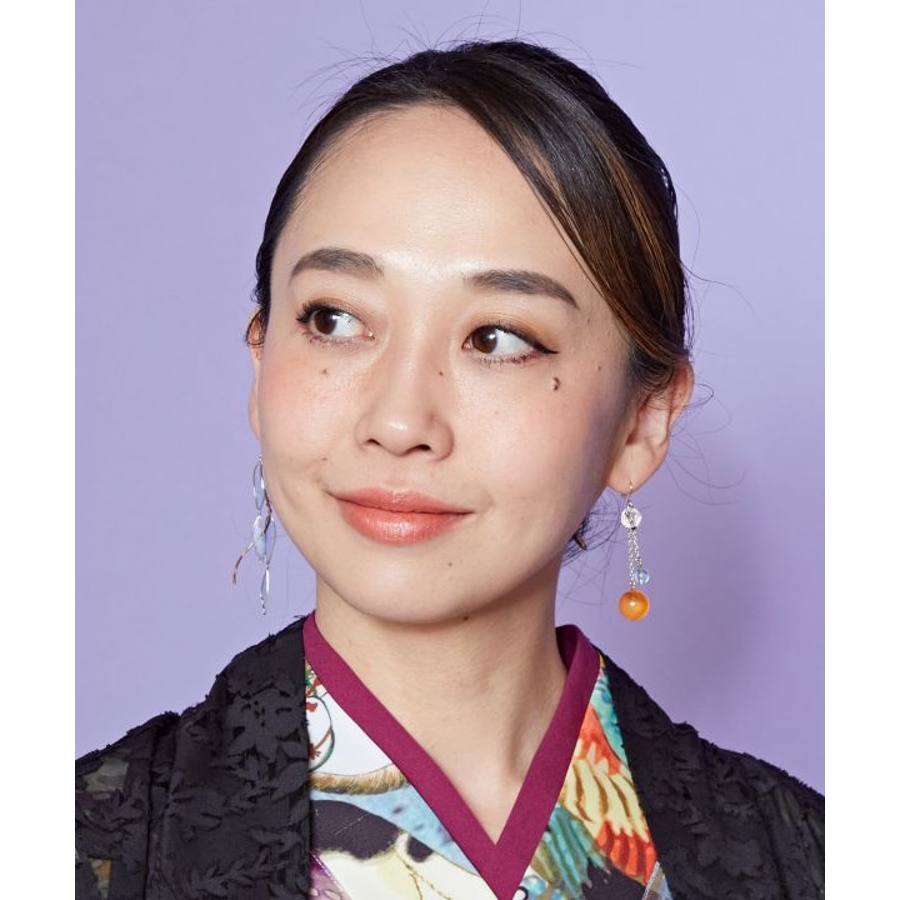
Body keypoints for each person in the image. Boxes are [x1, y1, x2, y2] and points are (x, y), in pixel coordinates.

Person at [75, 40, 824, 900]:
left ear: (642, 422)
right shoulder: (81, 847)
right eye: (333, 320)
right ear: (261, 357)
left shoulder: (808, 862)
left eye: (497, 338)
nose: (399, 422)